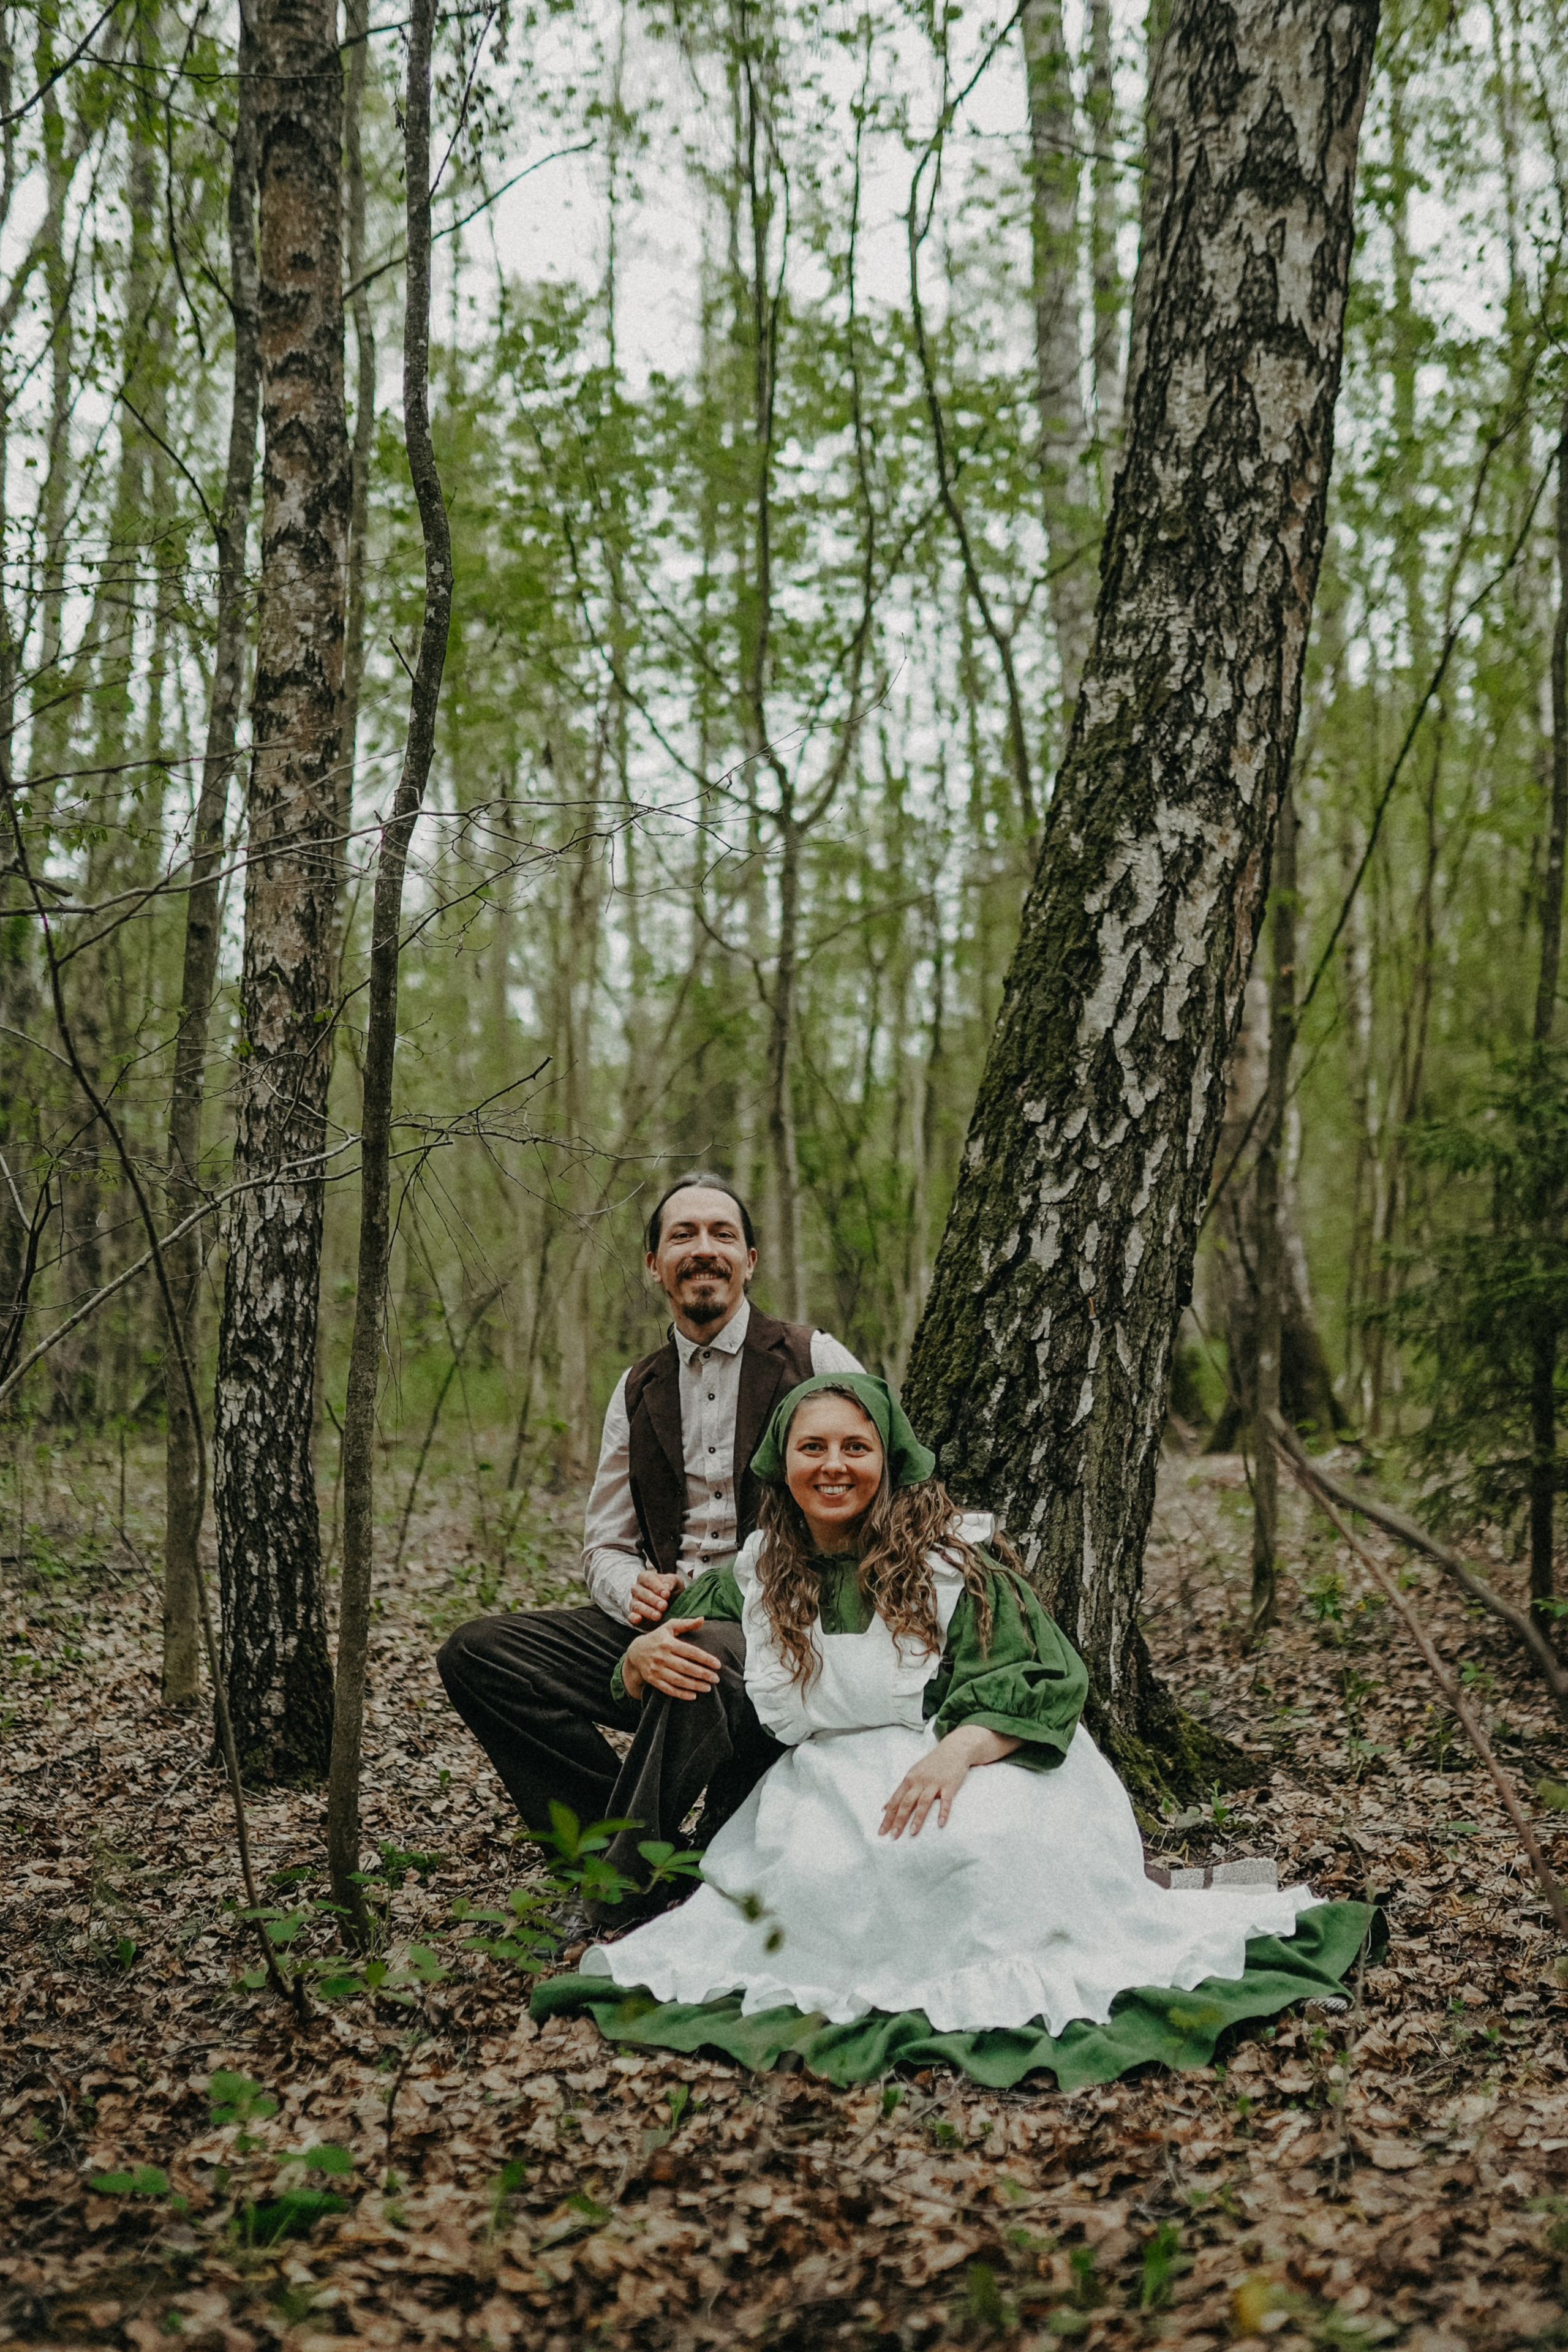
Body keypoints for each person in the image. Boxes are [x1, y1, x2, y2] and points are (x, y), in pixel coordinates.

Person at [580, 1374, 1318, 2035]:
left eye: (854, 1447)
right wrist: (636, 1660)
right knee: (819, 1882)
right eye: (812, 1448)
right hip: (826, 1778)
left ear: (888, 1459)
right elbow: (679, 1643)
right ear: (783, 1462)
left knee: (964, 1851)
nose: (833, 1466)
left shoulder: (949, 1561)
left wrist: (956, 1751)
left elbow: (1043, 1674)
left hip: (969, 1749)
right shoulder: (760, 1569)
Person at [436, 1174, 861, 1929]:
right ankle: (632, 1846)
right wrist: (630, 1592)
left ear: (751, 1259)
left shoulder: (811, 1354)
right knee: (479, 1653)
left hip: (777, 1626)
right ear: (653, 1264)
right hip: (662, 1619)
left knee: (687, 1661)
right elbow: (604, 1542)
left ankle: (618, 1892)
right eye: (683, 1236)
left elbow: (873, 1490)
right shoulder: (638, 1386)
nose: (704, 1251)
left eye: (722, 1235)